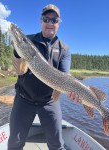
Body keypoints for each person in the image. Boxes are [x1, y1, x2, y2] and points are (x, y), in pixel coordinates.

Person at [8, 4, 80, 150]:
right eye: (46, 19)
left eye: (54, 20)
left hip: (49, 101)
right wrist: (17, 52)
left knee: (57, 144)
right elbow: (20, 71)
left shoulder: (64, 49)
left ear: (59, 23)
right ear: (41, 20)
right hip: (24, 99)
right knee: (14, 143)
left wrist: (73, 92)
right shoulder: (29, 40)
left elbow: (65, 77)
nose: (50, 23)